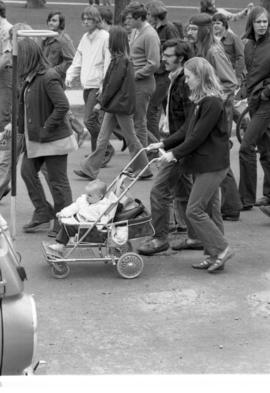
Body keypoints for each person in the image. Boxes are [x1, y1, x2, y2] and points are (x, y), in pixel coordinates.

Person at [145, 57, 234, 272]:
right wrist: (164, 143)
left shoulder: (212, 102)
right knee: (208, 211)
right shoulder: (201, 101)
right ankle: (213, 255)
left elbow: (197, 137)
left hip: (212, 165)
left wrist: (173, 154)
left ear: (200, 77)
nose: (186, 82)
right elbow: (187, 130)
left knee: (194, 210)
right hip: (205, 164)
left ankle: (221, 249)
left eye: (188, 77)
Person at [137, 39, 196, 256]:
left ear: (180, 58)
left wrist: (169, 146)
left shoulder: (184, 81)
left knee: (159, 190)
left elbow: (189, 123)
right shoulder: (176, 78)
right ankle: (196, 234)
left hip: (181, 146)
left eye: (168, 55)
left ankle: (160, 237)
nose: (164, 58)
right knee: (184, 191)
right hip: (177, 141)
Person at [73, 25, 152, 181]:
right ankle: (90, 169)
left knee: (131, 138)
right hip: (116, 106)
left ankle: (144, 168)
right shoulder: (121, 60)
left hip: (118, 106)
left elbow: (112, 86)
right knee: (103, 138)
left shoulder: (121, 61)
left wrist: (100, 102)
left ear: (114, 41)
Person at [17, 38, 77, 233]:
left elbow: (62, 106)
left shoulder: (48, 77)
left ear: (28, 57)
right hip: (36, 139)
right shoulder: (30, 78)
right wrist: (19, 130)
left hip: (53, 139)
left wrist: (46, 128)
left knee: (58, 182)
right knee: (26, 171)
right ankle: (43, 210)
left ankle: (65, 222)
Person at [187, 13, 242, 222]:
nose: (189, 32)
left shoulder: (213, 50)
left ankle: (231, 205)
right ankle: (225, 205)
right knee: (215, 155)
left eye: (193, 29)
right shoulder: (201, 48)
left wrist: (211, 101)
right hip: (208, 109)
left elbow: (230, 83)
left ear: (204, 30)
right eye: (189, 28)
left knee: (218, 155)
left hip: (219, 112)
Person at [65, 6, 114, 166]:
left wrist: (103, 86)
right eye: (84, 19)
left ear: (97, 20)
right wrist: (70, 75)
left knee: (89, 121)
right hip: (87, 86)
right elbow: (78, 60)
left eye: (89, 19)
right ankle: (96, 156)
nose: (86, 22)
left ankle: (106, 149)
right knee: (94, 121)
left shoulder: (105, 37)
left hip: (98, 86)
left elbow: (108, 63)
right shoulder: (85, 38)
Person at [239, 6, 270, 208]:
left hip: (267, 101)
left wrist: (267, 92)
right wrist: (241, 91)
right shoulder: (248, 45)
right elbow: (250, 73)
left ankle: (245, 199)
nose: (262, 25)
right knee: (266, 149)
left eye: (265, 21)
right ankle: (268, 195)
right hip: (253, 100)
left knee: (245, 146)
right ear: (251, 23)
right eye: (258, 21)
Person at [124, 1, 160, 159]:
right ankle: (152, 149)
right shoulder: (135, 31)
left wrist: (134, 74)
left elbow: (154, 64)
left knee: (139, 123)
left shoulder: (150, 35)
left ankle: (141, 162)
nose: (127, 22)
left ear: (139, 18)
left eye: (130, 18)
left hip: (143, 84)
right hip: (133, 83)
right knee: (135, 121)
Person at [47, 179, 118, 255]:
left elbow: (105, 219)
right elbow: (73, 207)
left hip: (89, 227)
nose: (87, 197)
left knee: (67, 226)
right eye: (87, 194)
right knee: (65, 224)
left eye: (90, 195)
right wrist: (63, 213)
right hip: (78, 220)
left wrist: (100, 229)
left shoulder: (103, 207)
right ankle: (66, 241)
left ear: (100, 197)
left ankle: (61, 244)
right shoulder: (83, 200)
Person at [145, 0, 180, 142]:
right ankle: (171, 140)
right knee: (169, 110)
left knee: (152, 110)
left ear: (155, 14)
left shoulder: (169, 29)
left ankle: (154, 148)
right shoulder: (153, 29)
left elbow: (178, 49)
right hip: (157, 74)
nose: (146, 16)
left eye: (148, 13)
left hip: (165, 75)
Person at [0, 1, 12, 200]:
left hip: (5, 76)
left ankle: (3, 180)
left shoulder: (7, 29)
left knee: (4, 121)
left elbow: (6, 58)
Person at [42, 11, 75, 82]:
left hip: (56, 80)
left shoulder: (64, 39)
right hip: (44, 78)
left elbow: (71, 61)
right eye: (49, 20)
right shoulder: (46, 38)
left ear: (60, 23)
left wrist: (52, 71)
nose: (50, 23)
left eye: (54, 21)